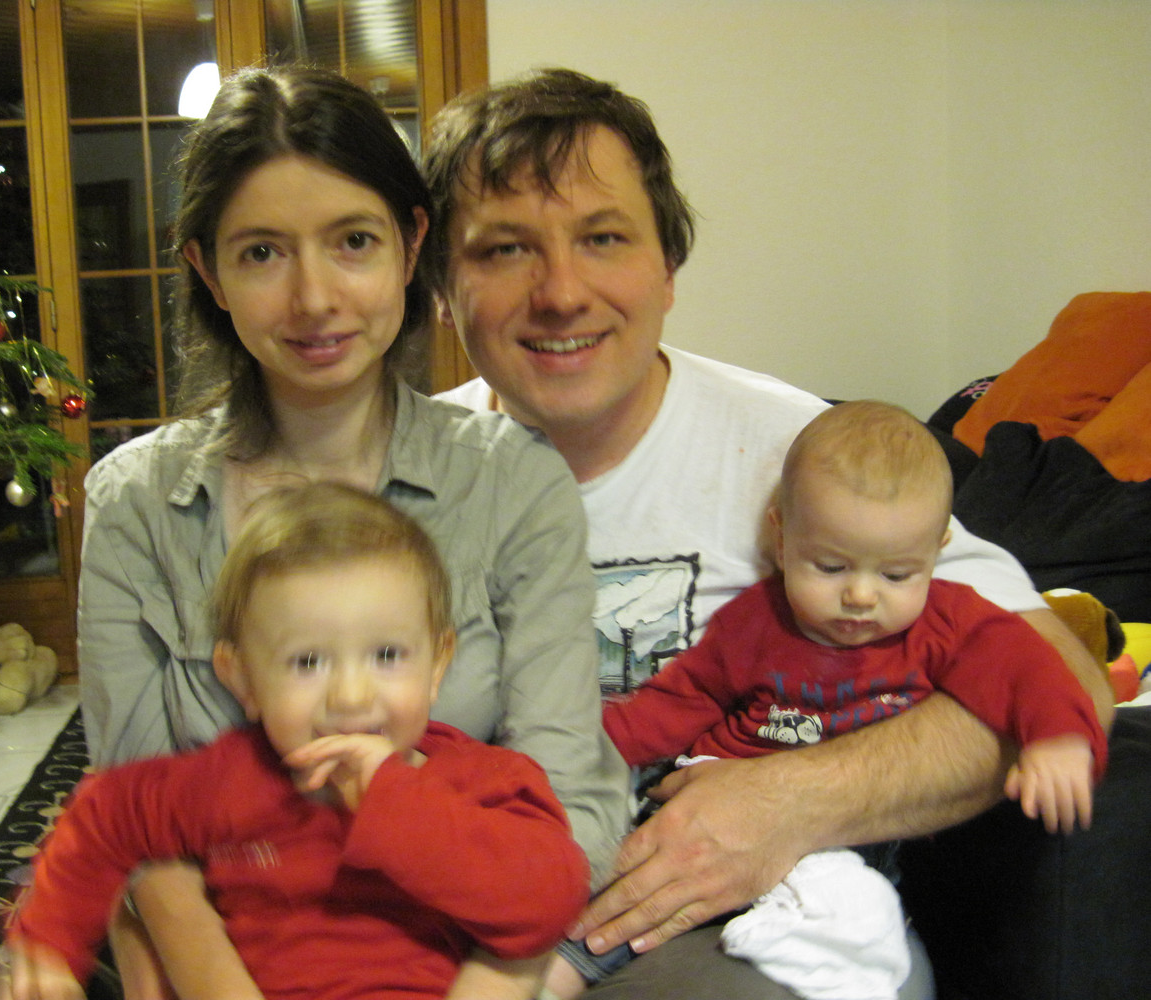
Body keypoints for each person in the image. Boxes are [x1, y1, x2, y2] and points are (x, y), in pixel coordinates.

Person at [424, 67, 1115, 999]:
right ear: (441, 284)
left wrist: (792, 800)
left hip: (738, 928)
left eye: (602, 238)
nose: (560, 292)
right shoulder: (388, 483)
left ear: (667, 269)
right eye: (505, 249)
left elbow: (1064, 681)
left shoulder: (804, 458)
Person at [76, 65, 627, 998]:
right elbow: (142, 831)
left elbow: (563, 805)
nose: (314, 298)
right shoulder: (135, 504)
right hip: (239, 950)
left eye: (353, 242)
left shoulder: (511, 483)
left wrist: (492, 986)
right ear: (208, 270)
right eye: (261, 253)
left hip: (471, 951)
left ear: (410, 247)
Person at [546, 400, 1107, 1000]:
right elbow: (683, 699)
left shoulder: (951, 623)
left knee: (849, 920)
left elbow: (1029, 670)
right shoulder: (755, 621)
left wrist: (1058, 738)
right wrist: (593, 751)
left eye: (896, 575)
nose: (861, 596)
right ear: (782, 537)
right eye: (832, 566)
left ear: (937, 551)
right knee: (614, 895)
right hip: (706, 798)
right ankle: (552, 972)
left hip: (849, 840)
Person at [5, 482, 591, 1000]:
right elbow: (105, 815)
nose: (352, 697)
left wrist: (396, 802)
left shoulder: (486, 781)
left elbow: (550, 900)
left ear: (437, 664)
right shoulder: (226, 781)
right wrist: (51, 940)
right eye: (308, 662)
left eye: (387, 655)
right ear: (244, 680)